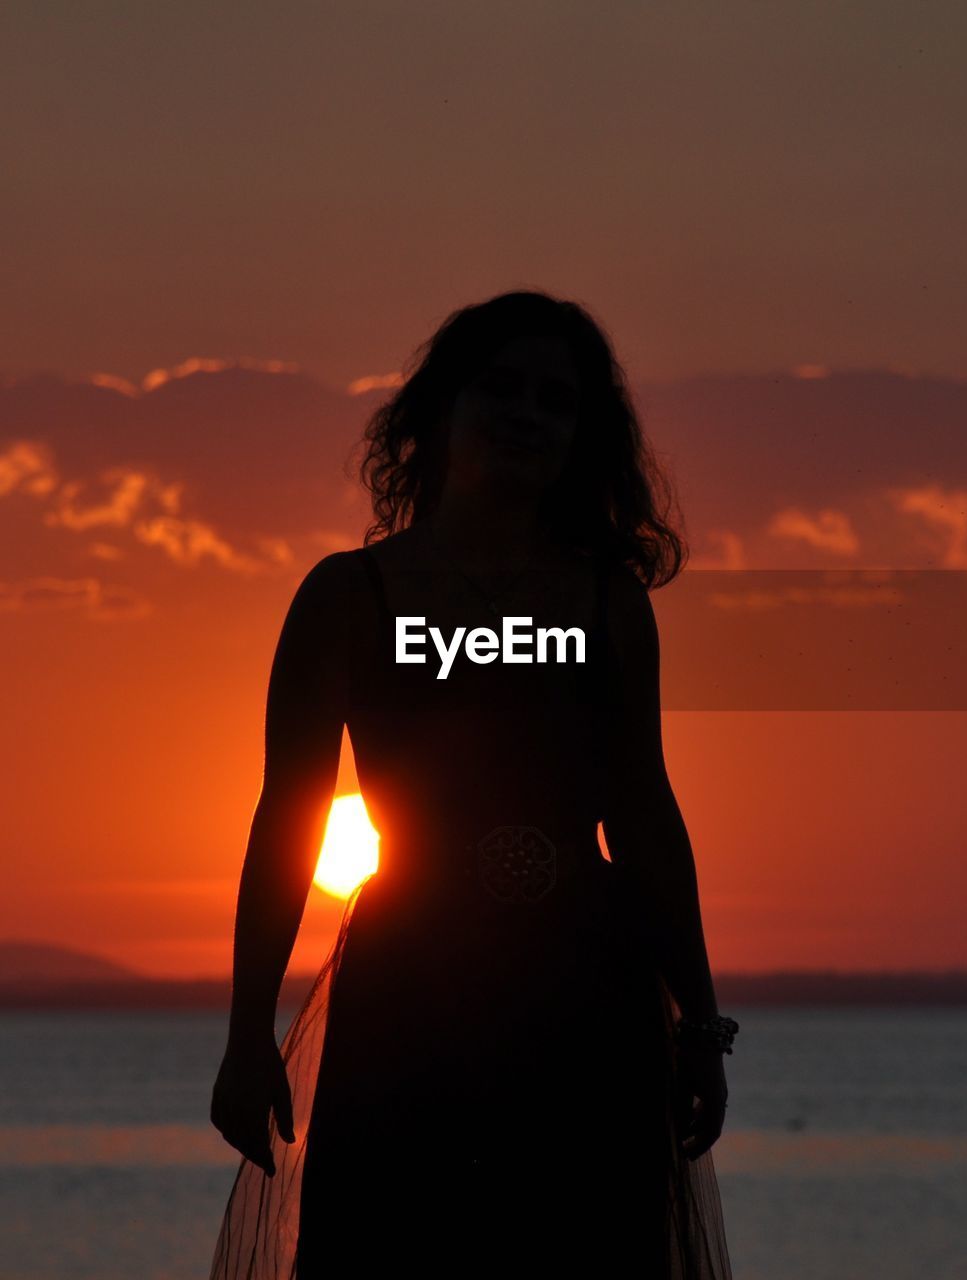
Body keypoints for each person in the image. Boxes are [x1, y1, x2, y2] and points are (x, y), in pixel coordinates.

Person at [209, 289, 736, 1276]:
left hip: (586, 996)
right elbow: (288, 817)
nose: (526, 413)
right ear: (439, 410)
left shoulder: (604, 602)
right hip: (411, 989)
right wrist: (248, 1034)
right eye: (500, 387)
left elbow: (644, 812)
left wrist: (700, 1025)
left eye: (555, 399)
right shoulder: (350, 598)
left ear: (581, 437)